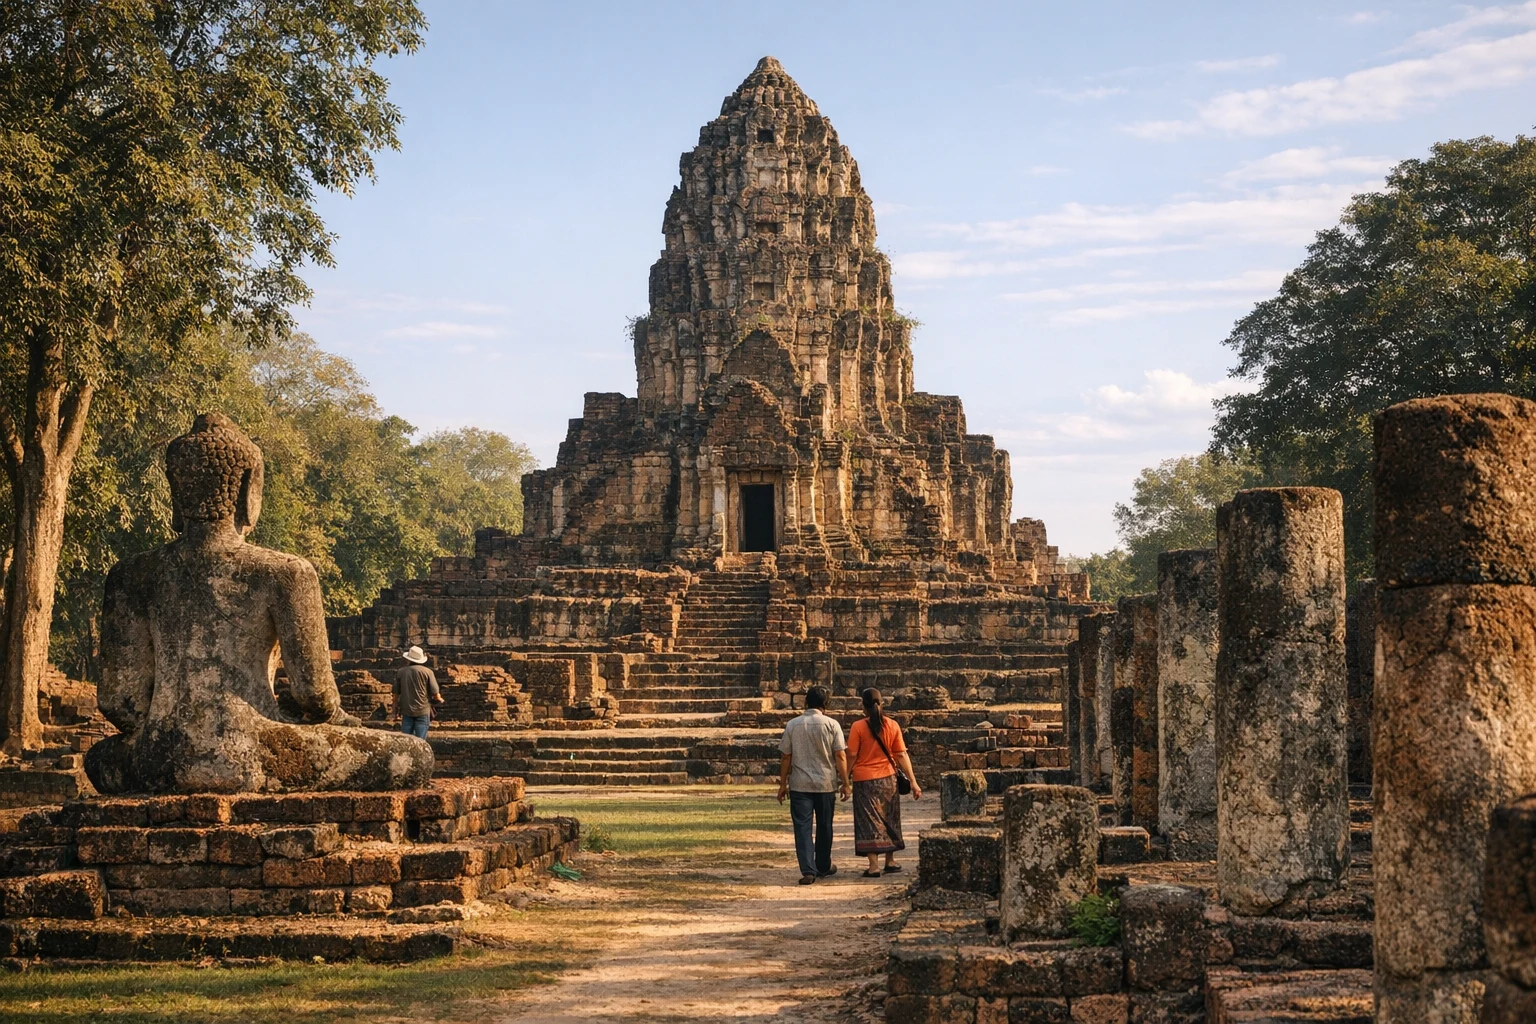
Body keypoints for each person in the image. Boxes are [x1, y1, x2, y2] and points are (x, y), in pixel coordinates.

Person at [845, 687, 922, 877]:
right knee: (890, 818)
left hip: (864, 780)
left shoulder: (858, 727)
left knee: (868, 821)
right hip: (888, 779)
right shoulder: (892, 725)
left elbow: (852, 755)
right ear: (882, 703)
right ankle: (891, 860)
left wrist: (845, 778)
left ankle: (874, 865)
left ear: (863, 706)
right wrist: (913, 781)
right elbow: (901, 755)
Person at [777, 686, 851, 885]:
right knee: (825, 826)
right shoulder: (832, 724)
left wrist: (783, 783)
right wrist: (845, 782)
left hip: (800, 784)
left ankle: (808, 869)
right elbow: (840, 755)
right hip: (825, 783)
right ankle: (823, 864)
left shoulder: (793, 724)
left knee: (802, 828)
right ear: (826, 704)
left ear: (806, 702)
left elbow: (786, 756)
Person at [395, 645, 444, 739]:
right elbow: (436, 694)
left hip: (406, 710)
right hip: (423, 710)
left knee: (406, 741)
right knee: (421, 741)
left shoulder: (401, 672)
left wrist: (395, 711)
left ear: (408, 659)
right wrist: (440, 700)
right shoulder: (428, 672)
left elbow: (395, 695)